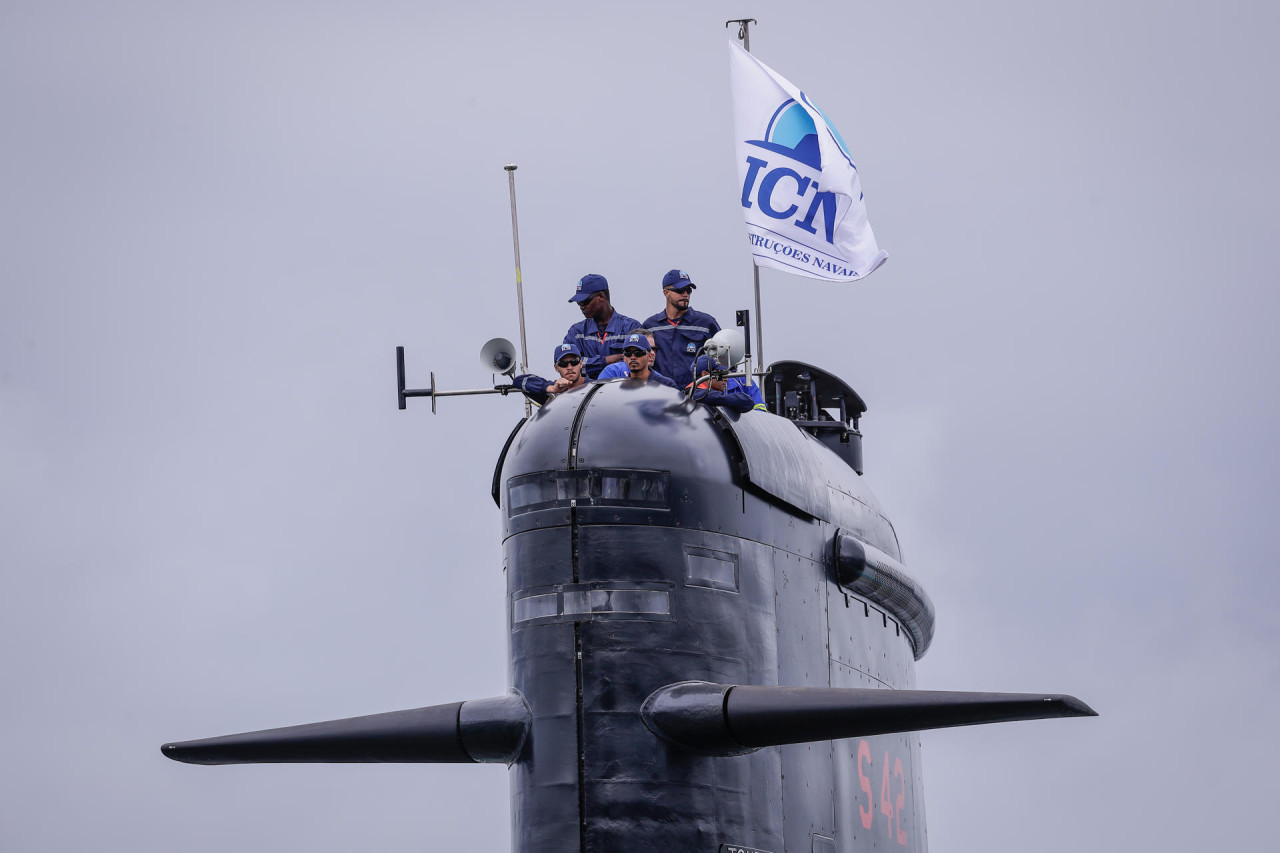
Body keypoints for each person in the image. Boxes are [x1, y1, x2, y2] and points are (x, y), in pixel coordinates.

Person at [642, 269, 722, 388]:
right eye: (680, 290)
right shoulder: (650, 326)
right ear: (666, 292)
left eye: (688, 290)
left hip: (696, 398)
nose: (685, 294)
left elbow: (725, 358)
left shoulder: (705, 323)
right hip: (659, 396)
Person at [563, 274, 642, 380]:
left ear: (601, 297)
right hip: (587, 394)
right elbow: (568, 366)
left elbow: (640, 362)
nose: (582, 307)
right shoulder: (577, 333)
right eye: (579, 303)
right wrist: (608, 360)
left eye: (585, 301)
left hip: (624, 392)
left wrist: (588, 364)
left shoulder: (631, 328)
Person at [685, 354, 767, 413]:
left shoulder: (694, 393)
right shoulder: (697, 394)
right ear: (705, 375)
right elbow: (746, 402)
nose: (726, 379)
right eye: (722, 374)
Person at [511, 343, 588, 406]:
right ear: (556, 368)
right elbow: (518, 380)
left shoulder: (596, 387)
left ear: (581, 364)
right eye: (563, 364)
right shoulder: (553, 390)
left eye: (574, 362)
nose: (570, 367)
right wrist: (551, 389)